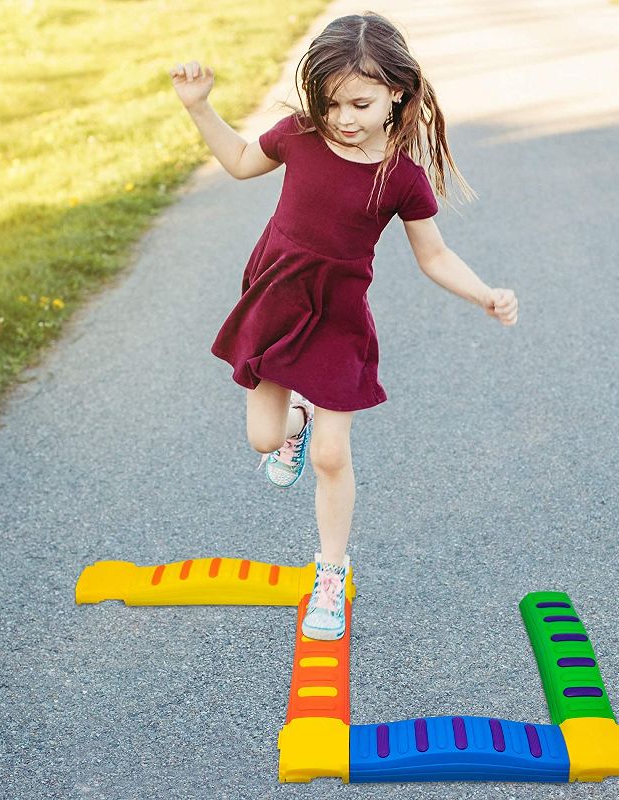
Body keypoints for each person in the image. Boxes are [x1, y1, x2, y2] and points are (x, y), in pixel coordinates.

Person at [170, 12, 518, 641]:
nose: (344, 118)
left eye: (360, 103)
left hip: (337, 318)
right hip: (276, 301)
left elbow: (434, 255)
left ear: (396, 94)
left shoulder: (401, 177)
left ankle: (330, 571)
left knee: (333, 457)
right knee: (262, 439)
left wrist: (484, 295)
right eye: (331, 103)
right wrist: (200, 108)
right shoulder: (300, 136)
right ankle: (296, 424)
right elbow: (242, 162)